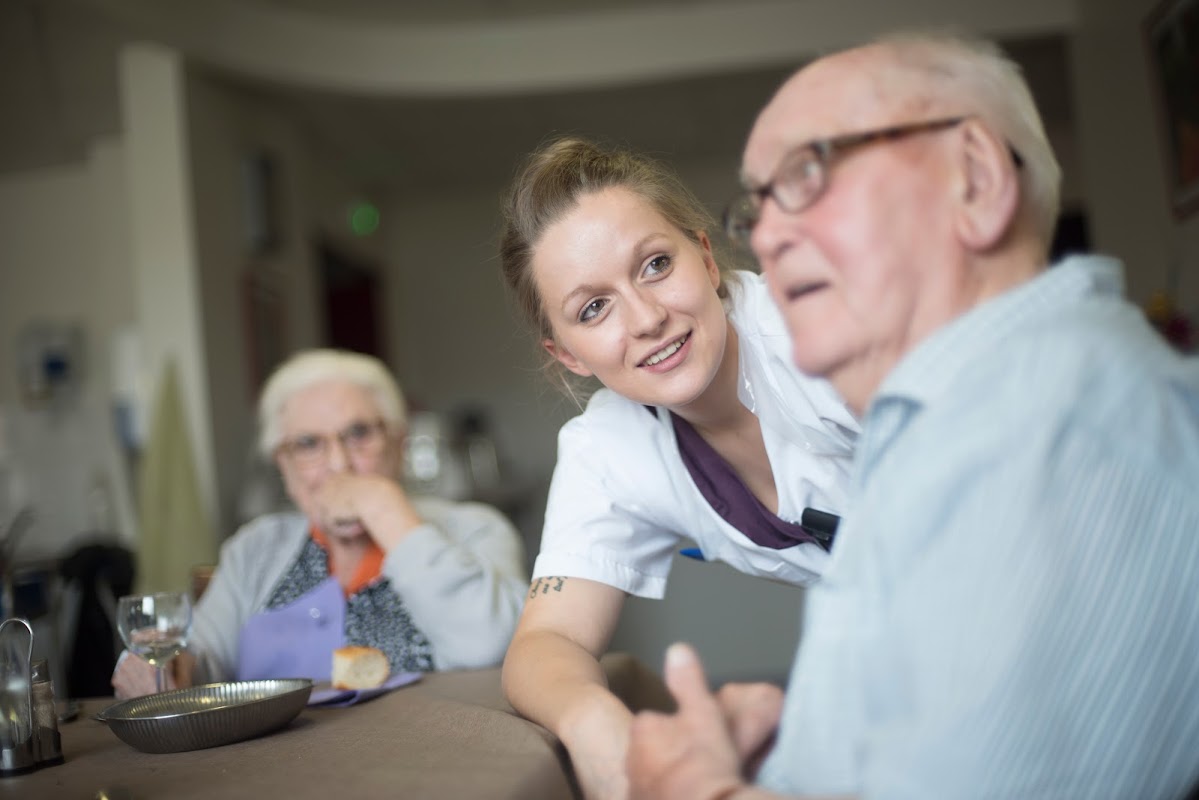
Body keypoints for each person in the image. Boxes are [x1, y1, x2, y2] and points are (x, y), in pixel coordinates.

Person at [625, 31, 1199, 800]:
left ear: (974, 178)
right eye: (756, 205)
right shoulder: (957, 427)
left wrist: (700, 792)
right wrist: (782, 762)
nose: (763, 235)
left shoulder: (1057, 432)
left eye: (806, 173)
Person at [498, 137, 860, 798]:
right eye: (592, 309)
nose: (646, 318)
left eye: (655, 264)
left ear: (705, 255)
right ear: (569, 355)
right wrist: (595, 726)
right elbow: (545, 642)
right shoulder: (606, 449)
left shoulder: (822, 325)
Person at [112, 349, 528, 697]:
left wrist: (384, 507)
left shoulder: (475, 530)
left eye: (360, 433)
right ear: (284, 466)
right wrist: (170, 672)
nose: (339, 464)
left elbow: (493, 650)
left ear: (398, 444)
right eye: (309, 444)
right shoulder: (255, 549)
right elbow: (202, 665)